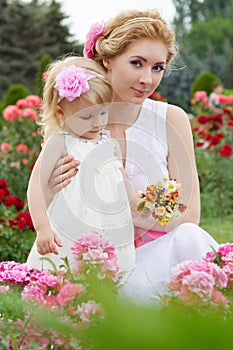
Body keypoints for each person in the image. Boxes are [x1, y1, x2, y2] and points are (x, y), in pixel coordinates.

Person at [44, 9, 219, 304]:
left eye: (157, 67)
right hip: (96, 269)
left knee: (190, 237)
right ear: (107, 60)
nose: (146, 79)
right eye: (137, 63)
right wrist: (52, 189)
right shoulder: (75, 122)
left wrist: (132, 205)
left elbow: (188, 215)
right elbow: (57, 213)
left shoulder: (171, 120)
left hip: (159, 258)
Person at [26, 55, 137, 284]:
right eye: (86, 116)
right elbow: (35, 187)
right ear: (60, 112)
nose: (97, 123)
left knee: (106, 275)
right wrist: (42, 228)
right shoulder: (61, 141)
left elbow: (121, 181)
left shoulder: (108, 142)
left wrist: (139, 203)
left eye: (103, 113)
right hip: (71, 222)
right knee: (66, 272)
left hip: (108, 222)